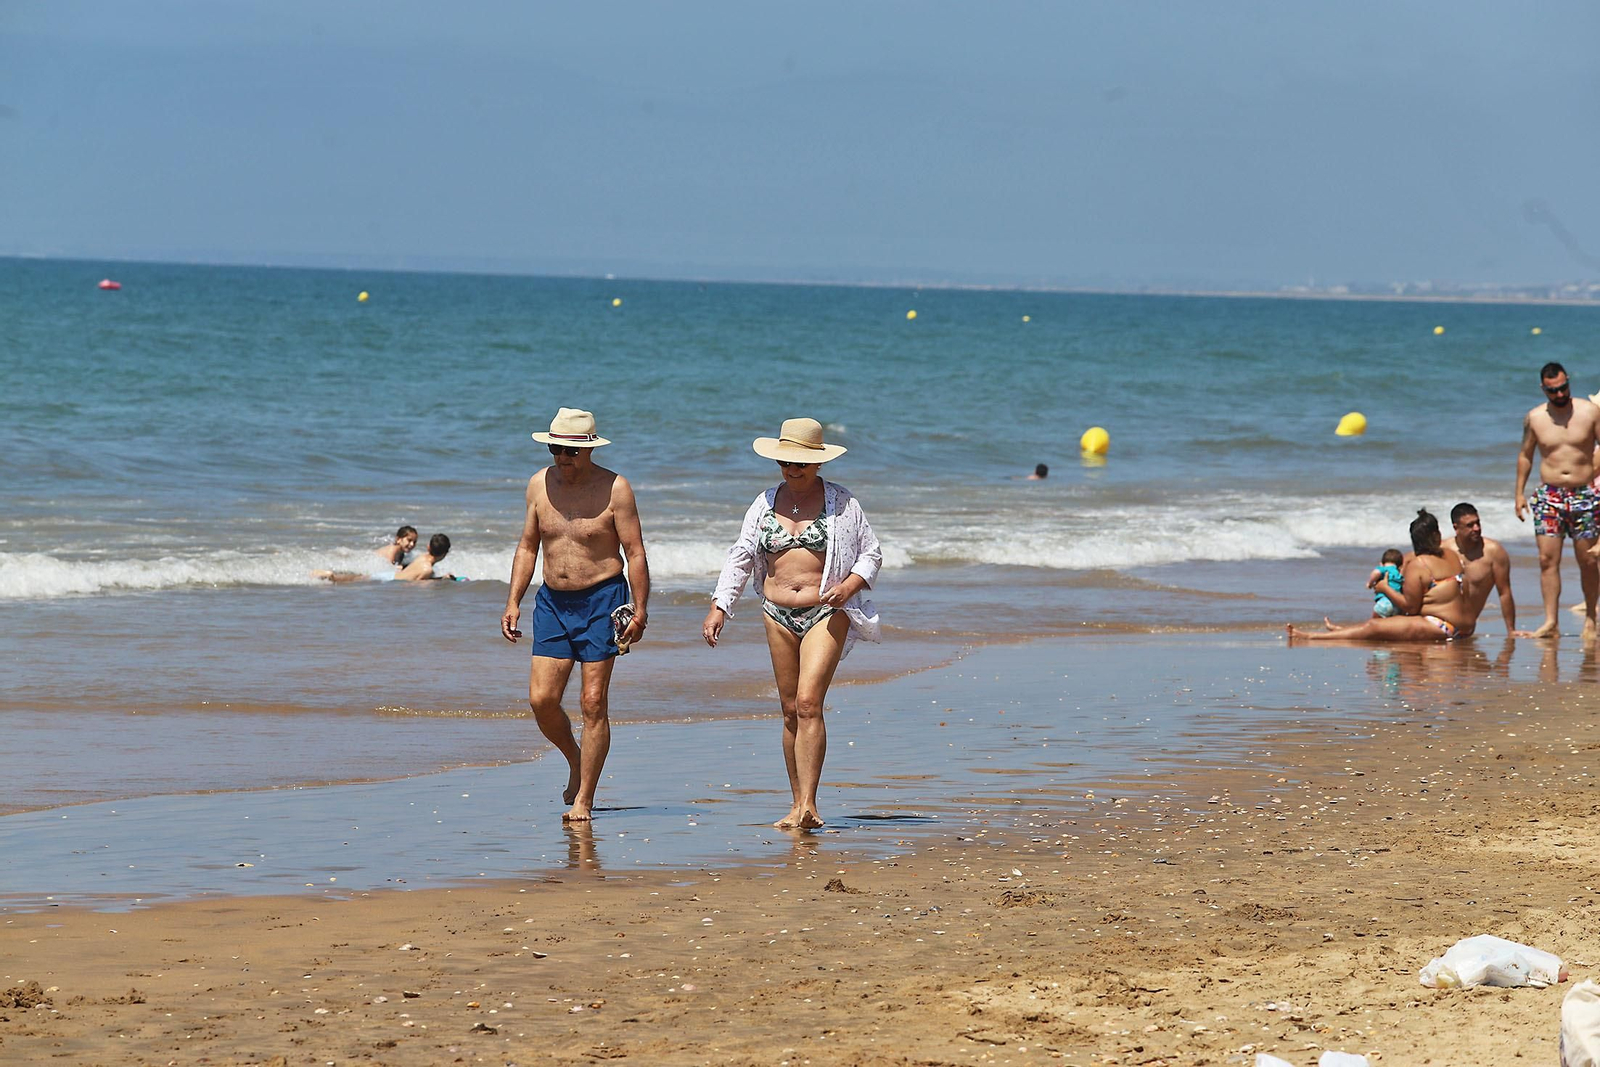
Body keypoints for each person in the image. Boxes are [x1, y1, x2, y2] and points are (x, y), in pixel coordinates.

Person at [702, 417, 882, 829]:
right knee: (787, 710)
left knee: (807, 703)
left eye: (800, 461)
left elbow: (871, 554)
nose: (792, 468)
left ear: (818, 462)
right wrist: (720, 606)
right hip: (776, 613)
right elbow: (742, 555)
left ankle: (812, 805)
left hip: (827, 611)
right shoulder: (763, 502)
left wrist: (850, 586)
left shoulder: (843, 503)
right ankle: (796, 802)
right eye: (785, 461)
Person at [501, 408, 649, 823]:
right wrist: (513, 600)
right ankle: (575, 759)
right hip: (552, 602)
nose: (561, 459)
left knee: (592, 701)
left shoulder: (615, 488)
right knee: (542, 700)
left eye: (569, 451)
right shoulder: (538, 485)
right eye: (555, 449)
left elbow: (635, 552)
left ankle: (585, 797)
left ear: (587, 449)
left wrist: (640, 609)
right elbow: (528, 546)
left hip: (603, 600)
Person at [1288, 509, 1473, 642]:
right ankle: (1342, 631)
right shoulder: (1451, 554)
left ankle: (1312, 637)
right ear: (1437, 534)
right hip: (1466, 627)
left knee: (1375, 627)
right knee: (1380, 624)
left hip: (1443, 627)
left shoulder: (1418, 565)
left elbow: (1411, 607)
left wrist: (1384, 588)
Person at [1515, 362, 1600, 638]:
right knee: (1546, 560)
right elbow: (1526, 455)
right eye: (1553, 391)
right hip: (1549, 495)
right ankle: (1551, 621)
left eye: (1563, 387)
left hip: (1584, 493)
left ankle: (1590, 616)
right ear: (1544, 389)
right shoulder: (1535, 418)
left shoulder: (1589, 413)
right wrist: (1518, 493)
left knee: (1588, 560)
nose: (1560, 394)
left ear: (1568, 382)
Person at [1441, 502, 1522, 636]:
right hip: (1438, 621)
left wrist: (1511, 630)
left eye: (1478, 523)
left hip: (1465, 629)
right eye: (1470, 525)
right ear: (1456, 528)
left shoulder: (1494, 552)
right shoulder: (1443, 550)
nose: (1477, 528)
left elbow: (1504, 592)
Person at [1367, 548, 1405, 618]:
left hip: (1384, 602)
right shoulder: (1399, 574)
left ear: (1381, 563)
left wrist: (1370, 583)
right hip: (1397, 604)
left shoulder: (1384, 569)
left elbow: (1376, 572)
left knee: (1375, 622)